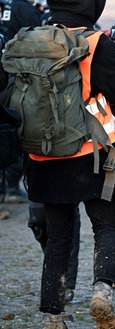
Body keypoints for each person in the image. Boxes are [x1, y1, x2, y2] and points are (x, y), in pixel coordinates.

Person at [20, 0, 115, 329]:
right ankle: (102, 293)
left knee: (59, 239)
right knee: (105, 225)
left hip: (43, 154)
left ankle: (52, 323)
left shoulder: (30, 39)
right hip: (90, 153)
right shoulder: (95, 44)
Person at [0, 0, 43, 205]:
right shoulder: (26, 9)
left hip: (5, 76)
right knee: (17, 130)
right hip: (15, 77)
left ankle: (6, 190)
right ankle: (10, 188)